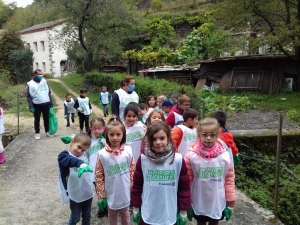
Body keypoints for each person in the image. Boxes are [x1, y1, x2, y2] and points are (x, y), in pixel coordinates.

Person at [131, 122, 191, 225]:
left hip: (169, 212)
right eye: (154, 139)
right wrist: (136, 207)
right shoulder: (143, 159)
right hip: (148, 212)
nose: (158, 142)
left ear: (168, 138)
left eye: (162, 138)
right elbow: (137, 186)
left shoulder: (178, 159)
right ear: (149, 140)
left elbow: (183, 188)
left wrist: (183, 210)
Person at [184, 117, 236, 225]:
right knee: (201, 222)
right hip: (199, 198)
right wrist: (186, 200)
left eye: (212, 135)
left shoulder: (224, 156)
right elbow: (187, 180)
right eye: (204, 134)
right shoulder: (191, 156)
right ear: (199, 135)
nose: (208, 138)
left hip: (217, 198)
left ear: (217, 135)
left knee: (214, 221)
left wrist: (230, 200)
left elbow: (229, 179)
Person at [95, 116, 136, 225]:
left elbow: (132, 169)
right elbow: (99, 176)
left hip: (125, 191)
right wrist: (101, 195)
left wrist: (134, 186)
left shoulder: (128, 150)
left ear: (123, 135)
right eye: (111, 134)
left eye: (118, 134)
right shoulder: (102, 154)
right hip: (111, 192)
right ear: (107, 135)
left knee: (125, 214)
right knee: (111, 215)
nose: (115, 137)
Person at [57, 133, 94, 225]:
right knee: (75, 217)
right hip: (74, 193)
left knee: (87, 215)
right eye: (78, 147)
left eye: (83, 150)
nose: (80, 151)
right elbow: (70, 160)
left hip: (87, 191)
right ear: (72, 142)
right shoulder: (64, 155)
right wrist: (81, 164)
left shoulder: (84, 153)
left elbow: (95, 149)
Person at [86, 117, 107, 218]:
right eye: (94, 128)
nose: (97, 130)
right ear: (90, 129)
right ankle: (102, 207)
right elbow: (85, 155)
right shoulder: (88, 141)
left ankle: (108, 206)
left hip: (106, 169)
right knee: (99, 189)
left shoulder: (107, 139)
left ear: (104, 128)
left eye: (99, 128)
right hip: (94, 170)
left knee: (108, 188)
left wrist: (106, 144)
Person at [27, 69, 54, 140]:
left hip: (46, 103)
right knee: (37, 119)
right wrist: (31, 106)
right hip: (36, 104)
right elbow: (29, 96)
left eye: (41, 74)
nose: (41, 76)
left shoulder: (44, 81)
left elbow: (49, 93)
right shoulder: (31, 84)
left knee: (46, 118)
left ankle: (47, 131)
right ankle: (37, 133)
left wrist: (51, 105)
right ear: (35, 75)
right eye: (39, 74)